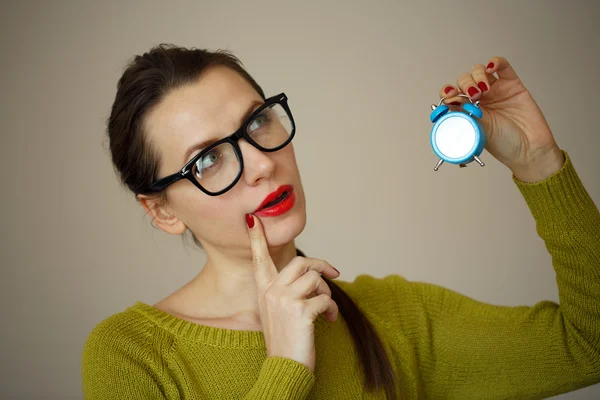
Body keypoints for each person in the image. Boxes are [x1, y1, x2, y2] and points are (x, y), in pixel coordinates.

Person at [82, 44, 600, 399]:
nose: (262, 163)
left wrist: (538, 162)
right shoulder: (132, 354)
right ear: (162, 210)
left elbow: (588, 346)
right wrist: (285, 372)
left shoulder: (395, 316)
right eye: (208, 159)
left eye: (258, 122)